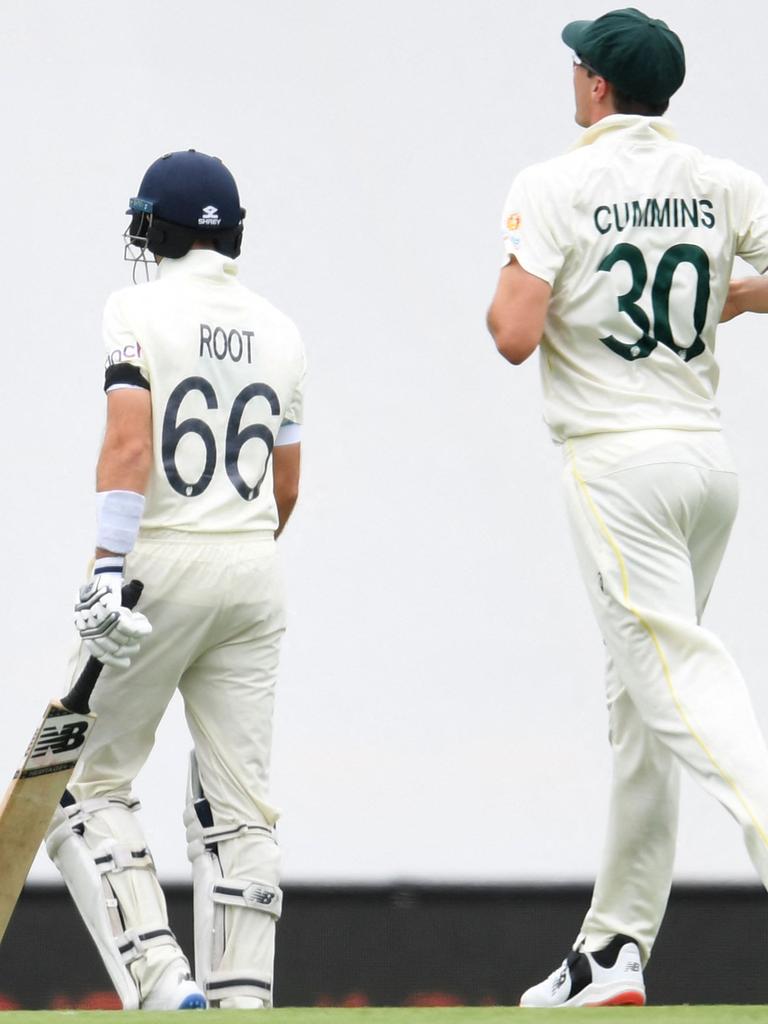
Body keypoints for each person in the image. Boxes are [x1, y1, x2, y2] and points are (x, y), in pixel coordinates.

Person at [487, 8, 768, 1009]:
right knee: (646, 702)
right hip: (707, 467)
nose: (572, 78)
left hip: (620, 467)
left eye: (577, 68)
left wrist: (525, 287)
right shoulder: (720, 182)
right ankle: (614, 946)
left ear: (597, 88)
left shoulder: (555, 184)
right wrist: (735, 298)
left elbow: (514, 335)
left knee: (683, 685)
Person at [45, 149, 306, 1011]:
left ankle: (162, 984)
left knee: (86, 789)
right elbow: (287, 486)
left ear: (153, 227)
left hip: (160, 560)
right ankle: (241, 998)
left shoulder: (136, 306)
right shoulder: (281, 329)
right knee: (240, 807)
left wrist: (111, 567)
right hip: (253, 568)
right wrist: (234, 562)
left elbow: (128, 442)